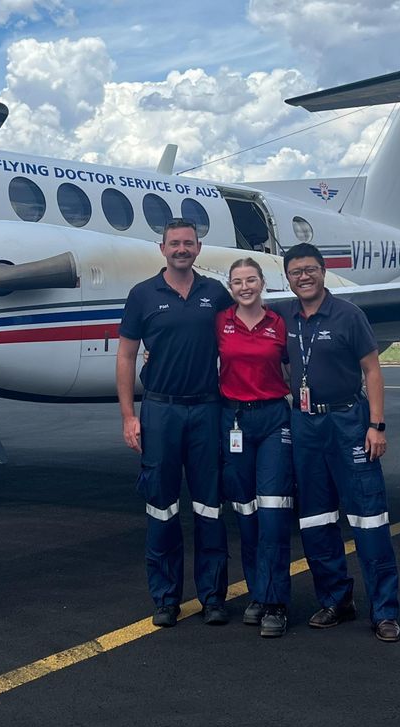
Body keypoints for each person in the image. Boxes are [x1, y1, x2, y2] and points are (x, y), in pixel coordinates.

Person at [281, 242, 400, 642]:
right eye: (296, 271)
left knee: (369, 518)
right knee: (315, 519)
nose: (304, 276)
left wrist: (377, 425)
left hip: (348, 421)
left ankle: (384, 610)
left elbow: (372, 370)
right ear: (288, 277)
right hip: (305, 425)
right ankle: (336, 600)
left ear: (323, 271)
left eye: (310, 269)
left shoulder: (349, 315)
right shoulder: (287, 319)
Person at [116, 218, 233, 628]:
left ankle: (213, 597)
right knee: (161, 508)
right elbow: (127, 355)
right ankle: (165, 598)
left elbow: (237, 340)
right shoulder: (142, 295)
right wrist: (130, 415)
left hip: (206, 410)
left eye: (188, 243)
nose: (181, 249)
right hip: (161, 412)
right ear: (161, 248)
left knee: (209, 508)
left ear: (198, 248)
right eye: (174, 243)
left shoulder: (215, 294)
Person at [217, 258, 293, 638]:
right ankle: (257, 594)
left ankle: (276, 601)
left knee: (273, 513)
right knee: (246, 513)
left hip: (273, 420)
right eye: (237, 282)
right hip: (234, 421)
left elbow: (302, 364)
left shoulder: (280, 324)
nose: (244, 286)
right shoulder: (220, 322)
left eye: (251, 280)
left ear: (263, 283)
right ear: (230, 287)